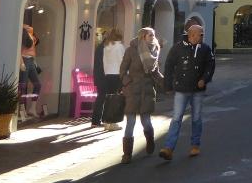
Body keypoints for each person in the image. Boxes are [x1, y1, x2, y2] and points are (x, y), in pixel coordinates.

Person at [159, 23, 215, 160]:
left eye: (201, 35)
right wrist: (167, 86)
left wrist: (204, 79)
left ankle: (195, 145)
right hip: (181, 89)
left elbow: (210, 65)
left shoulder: (205, 49)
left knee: (196, 118)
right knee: (176, 118)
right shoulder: (178, 48)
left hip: (198, 90)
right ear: (191, 35)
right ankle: (168, 148)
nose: (201, 37)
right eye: (199, 35)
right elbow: (169, 66)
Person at [118, 27, 163, 165]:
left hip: (147, 90)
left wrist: (166, 83)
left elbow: (155, 72)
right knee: (130, 122)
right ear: (143, 36)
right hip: (132, 90)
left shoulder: (154, 50)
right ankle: (127, 154)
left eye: (153, 35)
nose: (153, 37)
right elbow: (122, 70)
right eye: (150, 35)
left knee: (146, 121)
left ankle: (150, 140)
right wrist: (127, 82)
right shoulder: (131, 50)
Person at [91, 28, 124, 129]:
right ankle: (110, 121)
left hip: (104, 75)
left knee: (102, 98)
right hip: (114, 75)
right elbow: (122, 61)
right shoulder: (119, 46)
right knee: (112, 99)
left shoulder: (104, 47)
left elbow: (103, 63)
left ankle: (100, 121)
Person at [18, 24, 43, 117]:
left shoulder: (31, 34)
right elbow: (19, 49)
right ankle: (21, 110)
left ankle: (32, 108)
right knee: (22, 85)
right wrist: (21, 63)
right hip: (24, 59)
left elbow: (32, 50)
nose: (29, 26)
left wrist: (35, 63)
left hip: (31, 60)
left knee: (38, 84)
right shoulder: (23, 32)